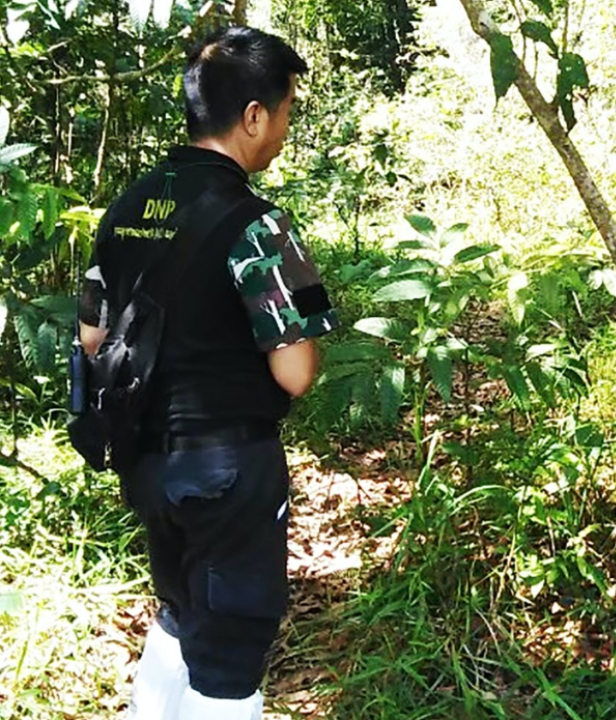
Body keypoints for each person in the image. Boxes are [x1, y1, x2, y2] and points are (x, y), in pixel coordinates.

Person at [77, 27, 336, 720]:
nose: (283, 129)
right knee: (232, 652)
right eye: (284, 112)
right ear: (253, 115)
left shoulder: (127, 206)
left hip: (147, 463)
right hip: (228, 469)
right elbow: (295, 372)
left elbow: (92, 334)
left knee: (183, 611)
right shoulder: (260, 226)